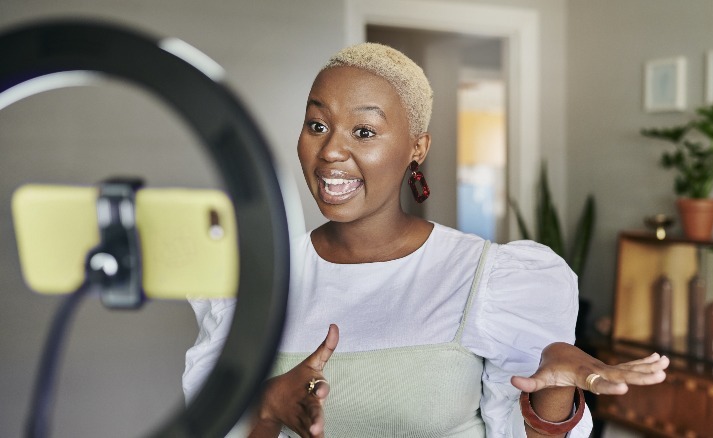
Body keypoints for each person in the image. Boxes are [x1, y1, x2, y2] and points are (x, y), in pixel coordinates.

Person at [182, 43, 669, 438]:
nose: (331, 150)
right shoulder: (260, 280)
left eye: (365, 130)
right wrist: (266, 408)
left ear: (417, 147)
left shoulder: (487, 277)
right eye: (317, 125)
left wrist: (554, 393)